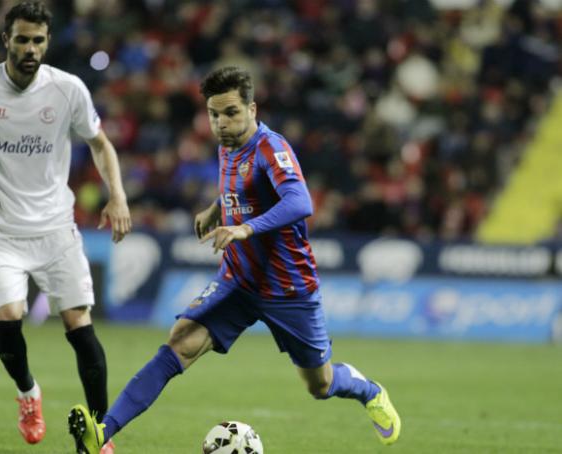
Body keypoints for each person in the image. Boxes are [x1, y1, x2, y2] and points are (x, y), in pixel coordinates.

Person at [67, 66, 401, 453]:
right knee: (179, 343)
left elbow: (299, 201)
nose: (221, 123)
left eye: (230, 113)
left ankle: (369, 391)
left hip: (288, 287)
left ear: (252, 109)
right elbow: (244, 189)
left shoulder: (271, 148)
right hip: (239, 281)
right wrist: (216, 209)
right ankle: (102, 434)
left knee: (320, 384)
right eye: (213, 114)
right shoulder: (227, 147)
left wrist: (245, 229)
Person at [0, 2, 129, 452]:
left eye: (38, 40)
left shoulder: (68, 89)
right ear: (6, 40)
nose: (30, 48)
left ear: (47, 42)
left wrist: (116, 194)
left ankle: (100, 435)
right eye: (21, 39)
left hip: (57, 229)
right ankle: (28, 393)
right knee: (8, 317)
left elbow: (101, 145)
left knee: (79, 324)